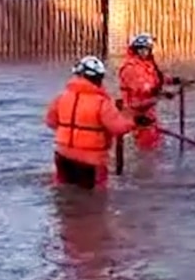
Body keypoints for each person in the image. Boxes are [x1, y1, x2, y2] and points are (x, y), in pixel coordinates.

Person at [45, 55, 141, 189]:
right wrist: (135, 121)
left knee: (64, 196)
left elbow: (50, 122)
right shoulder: (102, 102)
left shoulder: (61, 98)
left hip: (63, 156)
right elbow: (118, 128)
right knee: (96, 201)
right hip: (92, 160)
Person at [118, 33, 182, 151]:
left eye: (147, 49)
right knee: (147, 145)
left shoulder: (147, 64)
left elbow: (156, 78)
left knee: (155, 142)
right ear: (135, 50)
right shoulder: (130, 68)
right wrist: (161, 93)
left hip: (148, 109)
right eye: (141, 49)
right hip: (136, 112)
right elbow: (141, 87)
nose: (144, 52)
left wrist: (172, 81)